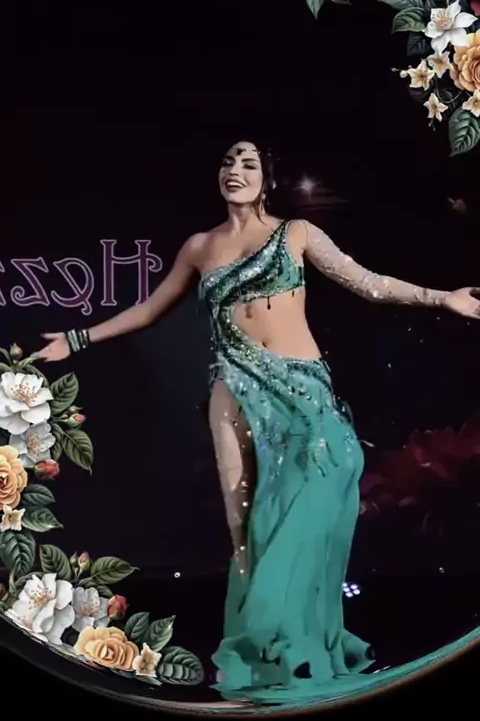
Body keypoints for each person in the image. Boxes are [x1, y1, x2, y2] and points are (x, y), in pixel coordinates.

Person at [35, 141, 480, 704]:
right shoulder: (201, 247)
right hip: (234, 392)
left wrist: (442, 298)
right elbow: (149, 309)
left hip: (301, 388)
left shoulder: (296, 234)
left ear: (267, 180)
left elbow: (367, 282)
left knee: (328, 482)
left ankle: (299, 637)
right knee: (244, 526)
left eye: (248, 164)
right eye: (228, 162)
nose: (235, 170)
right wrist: (77, 339)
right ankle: (264, 659)